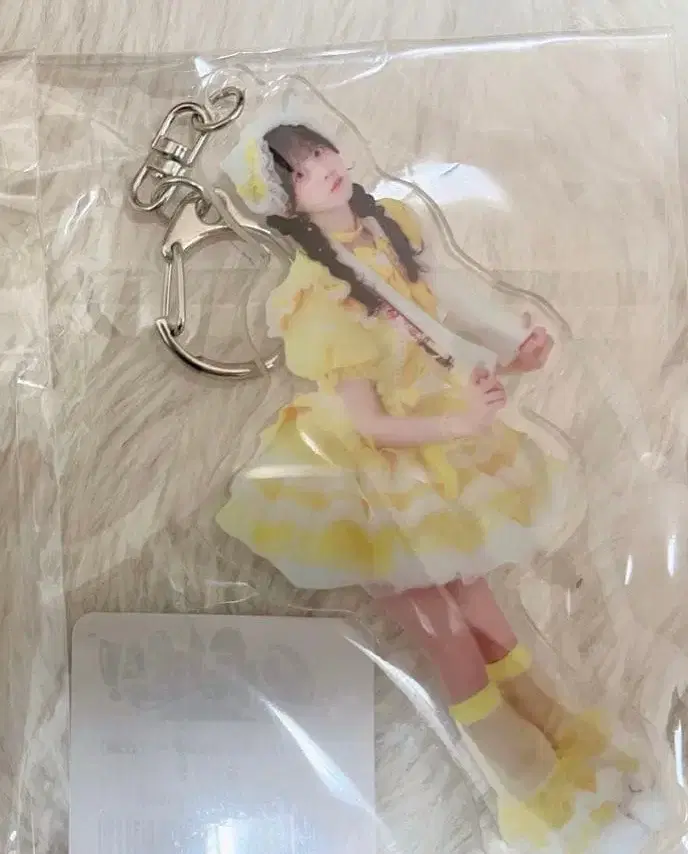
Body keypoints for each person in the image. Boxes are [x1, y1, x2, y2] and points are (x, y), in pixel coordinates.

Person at [217, 113, 665, 852]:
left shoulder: (390, 226)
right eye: (302, 169)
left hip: (432, 435)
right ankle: (526, 780)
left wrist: (512, 355)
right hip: (362, 467)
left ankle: (561, 734)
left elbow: (443, 329)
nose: (324, 166)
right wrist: (459, 423)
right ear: (286, 201)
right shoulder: (313, 293)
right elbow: (366, 424)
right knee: (442, 627)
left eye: (321, 151)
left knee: (478, 604)